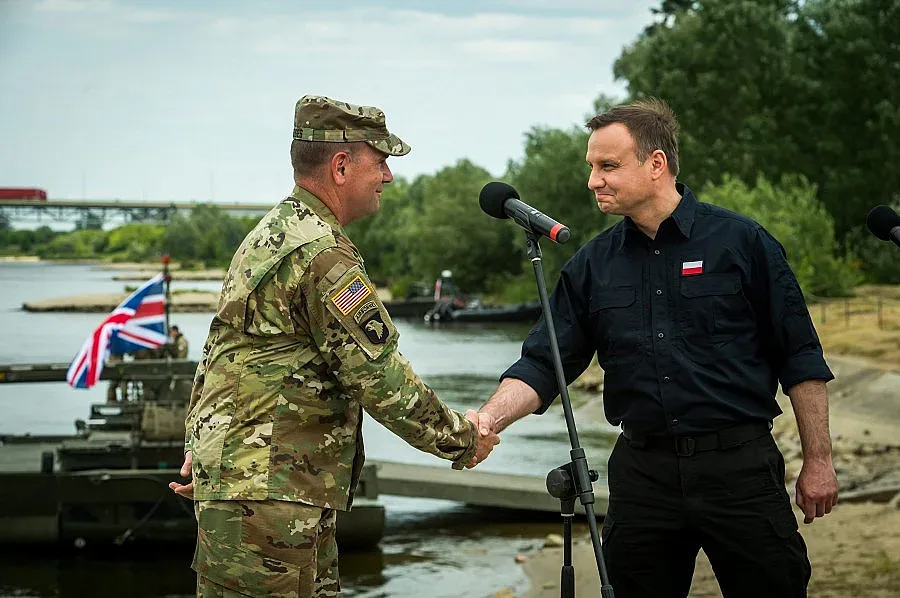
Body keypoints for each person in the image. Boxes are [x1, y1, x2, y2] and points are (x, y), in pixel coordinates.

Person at [477, 98, 838, 597]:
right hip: (643, 476)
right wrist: (488, 419)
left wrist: (819, 460)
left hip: (739, 468)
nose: (593, 181)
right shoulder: (591, 265)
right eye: (592, 167)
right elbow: (543, 363)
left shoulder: (743, 242)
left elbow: (800, 358)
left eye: (608, 166)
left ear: (656, 164)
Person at [167, 95, 499, 598]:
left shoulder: (271, 234)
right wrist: (462, 438)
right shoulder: (323, 254)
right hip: (272, 496)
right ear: (342, 166)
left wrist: (203, 441)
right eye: (381, 161)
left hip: (258, 486)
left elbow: (223, 349)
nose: (387, 177)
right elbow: (380, 379)